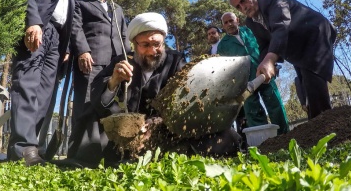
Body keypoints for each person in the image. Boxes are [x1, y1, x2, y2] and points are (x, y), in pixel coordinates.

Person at [62, 12, 241, 168]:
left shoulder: (176, 60)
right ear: (134, 44)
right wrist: (113, 81)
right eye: (145, 45)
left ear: (164, 41)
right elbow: (100, 100)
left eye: (157, 44)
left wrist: (155, 125)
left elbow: (189, 100)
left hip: (166, 129)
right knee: (90, 115)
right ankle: (92, 159)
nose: (152, 50)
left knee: (225, 135)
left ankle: (170, 151)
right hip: (126, 134)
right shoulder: (122, 60)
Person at [7, 0, 80, 166]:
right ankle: (20, 149)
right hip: (40, 29)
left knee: (45, 94)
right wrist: (34, 23)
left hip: (57, 42)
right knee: (27, 85)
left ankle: (32, 148)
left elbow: (69, 21)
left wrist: (66, 49)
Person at [229, 0, 336, 120]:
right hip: (296, 48)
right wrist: (265, 65)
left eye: (243, 0)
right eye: (238, 6)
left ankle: (326, 126)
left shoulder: (273, 0)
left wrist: (270, 60)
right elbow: (264, 45)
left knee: (313, 81)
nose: (243, 7)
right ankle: (316, 124)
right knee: (304, 88)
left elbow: (281, 26)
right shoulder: (251, 22)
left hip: (314, 34)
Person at [70, 0, 130, 128]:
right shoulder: (80, 4)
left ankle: (105, 149)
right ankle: (79, 150)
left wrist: (129, 58)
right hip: (91, 62)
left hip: (116, 65)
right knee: (86, 104)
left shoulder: (117, 9)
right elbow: (75, 27)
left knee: (112, 105)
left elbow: (124, 34)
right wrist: (83, 51)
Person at [217, 12, 289, 135]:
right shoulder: (223, 45)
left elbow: (267, 46)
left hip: (264, 74)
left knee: (275, 104)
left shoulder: (251, 31)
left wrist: (273, 64)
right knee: (253, 111)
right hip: (244, 83)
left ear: (237, 20)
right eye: (226, 22)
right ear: (223, 26)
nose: (229, 24)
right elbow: (225, 68)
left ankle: (285, 135)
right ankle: (264, 143)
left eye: (231, 20)